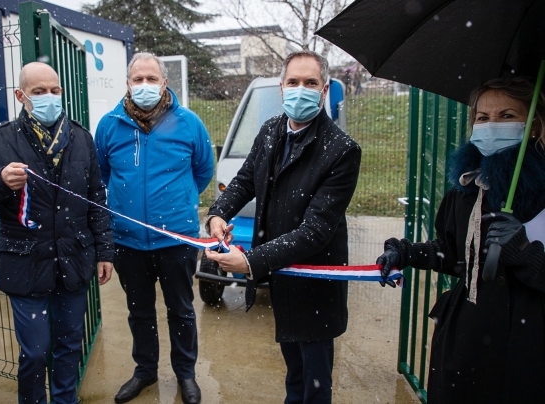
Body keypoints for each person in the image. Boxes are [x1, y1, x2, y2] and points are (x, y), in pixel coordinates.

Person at [205, 50, 361, 404]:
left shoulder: (341, 150)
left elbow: (315, 232)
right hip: (283, 277)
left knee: (316, 381)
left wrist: (250, 262)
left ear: (323, 91)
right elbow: (245, 180)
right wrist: (218, 214)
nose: (300, 90)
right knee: (294, 373)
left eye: (310, 83)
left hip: (316, 281)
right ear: (281, 87)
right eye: (293, 82)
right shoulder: (271, 130)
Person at [376, 78, 545, 403]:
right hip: (466, 346)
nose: (492, 125)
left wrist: (525, 253)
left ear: (533, 126)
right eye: (482, 118)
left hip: (526, 350)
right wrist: (405, 252)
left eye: (507, 115)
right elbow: (453, 254)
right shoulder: (468, 189)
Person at [0, 62, 114, 404]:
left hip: (73, 260)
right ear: (20, 95)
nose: (49, 98)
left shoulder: (80, 138)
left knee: (70, 344)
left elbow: (96, 200)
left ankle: (64, 400)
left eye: (54, 91)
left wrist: (104, 252)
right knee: (36, 351)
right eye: (39, 92)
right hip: (26, 264)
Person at [95, 52, 214, 404]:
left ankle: (186, 374)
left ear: (164, 82)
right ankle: (144, 371)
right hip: (128, 241)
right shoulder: (109, 125)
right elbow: (104, 173)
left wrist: (177, 200)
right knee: (140, 311)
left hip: (176, 239)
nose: (144, 85)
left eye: (151, 78)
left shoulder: (189, 123)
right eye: (137, 79)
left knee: (181, 309)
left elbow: (202, 171)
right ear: (128, 84)